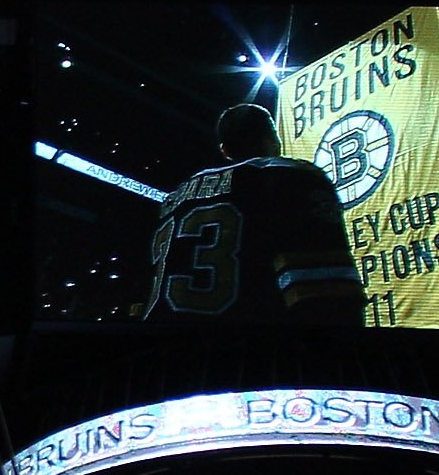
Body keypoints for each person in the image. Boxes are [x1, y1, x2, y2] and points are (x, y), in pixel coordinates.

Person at [143, 101, 362, 326]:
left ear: (224, 150)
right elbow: (326, 291)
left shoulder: (173, 199)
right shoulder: (290, 176)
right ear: (274, 138)